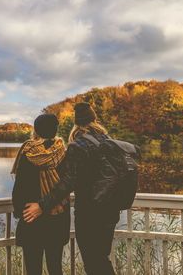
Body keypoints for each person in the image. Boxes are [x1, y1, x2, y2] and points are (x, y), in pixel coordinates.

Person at [23, 103, 120, 275]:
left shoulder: (78, 145)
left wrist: (42, 205)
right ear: (94, 119)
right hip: (110, 210)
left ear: (77, 123)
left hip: (90, 212)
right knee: (101, 258)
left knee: (93, 260)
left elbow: (68, 182)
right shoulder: (107, 140)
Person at [11, 113, 70, 275]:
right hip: (57, 218)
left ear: (35, 130)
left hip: (32, 217)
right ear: (55, 130)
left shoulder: (29, 151)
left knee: (33, 268)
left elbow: (19, 188)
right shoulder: (63, 152)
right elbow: (66, 186)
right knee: (55, 267)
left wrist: (18, 211)